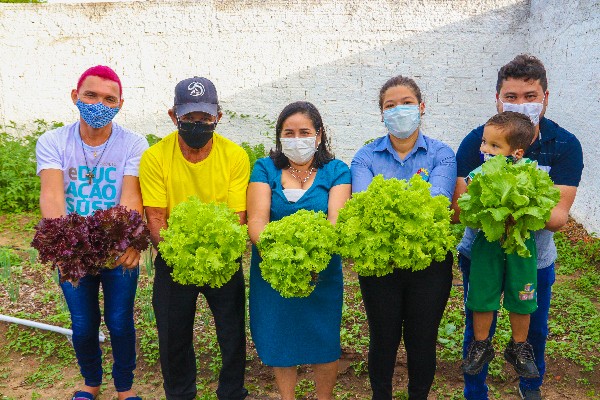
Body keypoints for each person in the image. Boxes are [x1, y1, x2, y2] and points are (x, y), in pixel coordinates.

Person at [451, 54, 584, 400]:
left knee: (532, 327)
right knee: (479, 317)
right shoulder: (477, 141)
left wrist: (510, 209)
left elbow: (556, 218)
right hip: (479, 252)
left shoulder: (565, 145)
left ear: (545, 98)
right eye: (511, 96)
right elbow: (462, 208)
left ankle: (530, 388)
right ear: (497, 99)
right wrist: (507, 206)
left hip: (535, 257)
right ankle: (474, 391)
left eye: (530, 96)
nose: (521, 104)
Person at [36, 65, 148, 400]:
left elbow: (131, 198)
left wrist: (131, 243)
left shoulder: (133, 143)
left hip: (117, 252)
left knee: (119, 321)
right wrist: (64, 250)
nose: (99, 103)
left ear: (120, 104)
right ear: (76, 96)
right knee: (83, 324)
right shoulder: (53, 141)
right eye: (91, 95)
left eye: (108, 99)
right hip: (74, 252)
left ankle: (125, 388)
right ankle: (91, 382)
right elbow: (53, 196)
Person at [139, 77, 250, 400]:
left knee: (231, 333)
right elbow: (156, 218)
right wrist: (180, 255)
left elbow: (235, 219)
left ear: (218, 116)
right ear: (174, 116)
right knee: (173, 335)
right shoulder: (156, 157)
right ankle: (179, 393)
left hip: (223, 260)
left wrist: (213, 256)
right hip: (174, 258)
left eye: (204, 118)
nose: (197, 125)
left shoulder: (235, 156)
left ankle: (231, 392)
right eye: (189, 119)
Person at [351, 75, 457, 400]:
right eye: (390, 105)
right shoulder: (365, 157)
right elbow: (365, 205)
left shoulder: (442, 154)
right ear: (381, 114)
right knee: (382, 339)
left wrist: (394, 206)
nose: (399, 110)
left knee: (422, 340)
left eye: (407, 103)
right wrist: (410, 204)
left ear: (421, 107)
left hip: (430, 265)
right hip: (380, 265)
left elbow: (438, 203)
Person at [246, 101, 351, 400]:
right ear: (279, 136)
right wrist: (279, 259)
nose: (296, 139)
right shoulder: (264, 168)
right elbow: (257, 219)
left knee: (323, 339)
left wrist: (311, 261)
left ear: (318, 136)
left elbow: (335, 222)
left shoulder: (336, 170)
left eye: (304, 132)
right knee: (280, 338)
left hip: (322, 271)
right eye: (288, 132)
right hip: (273, 271)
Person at [460, 112, 540, 380]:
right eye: (484, 143)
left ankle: (518, 346)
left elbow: (540, 204)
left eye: (494, 146)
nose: (485, 150)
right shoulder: (478, 175)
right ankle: (481, 344)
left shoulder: (531, 172)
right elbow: (467, 206)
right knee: (482, 295)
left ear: (516, 153)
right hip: (488, 243)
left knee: (523, 296)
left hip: (520, 244)